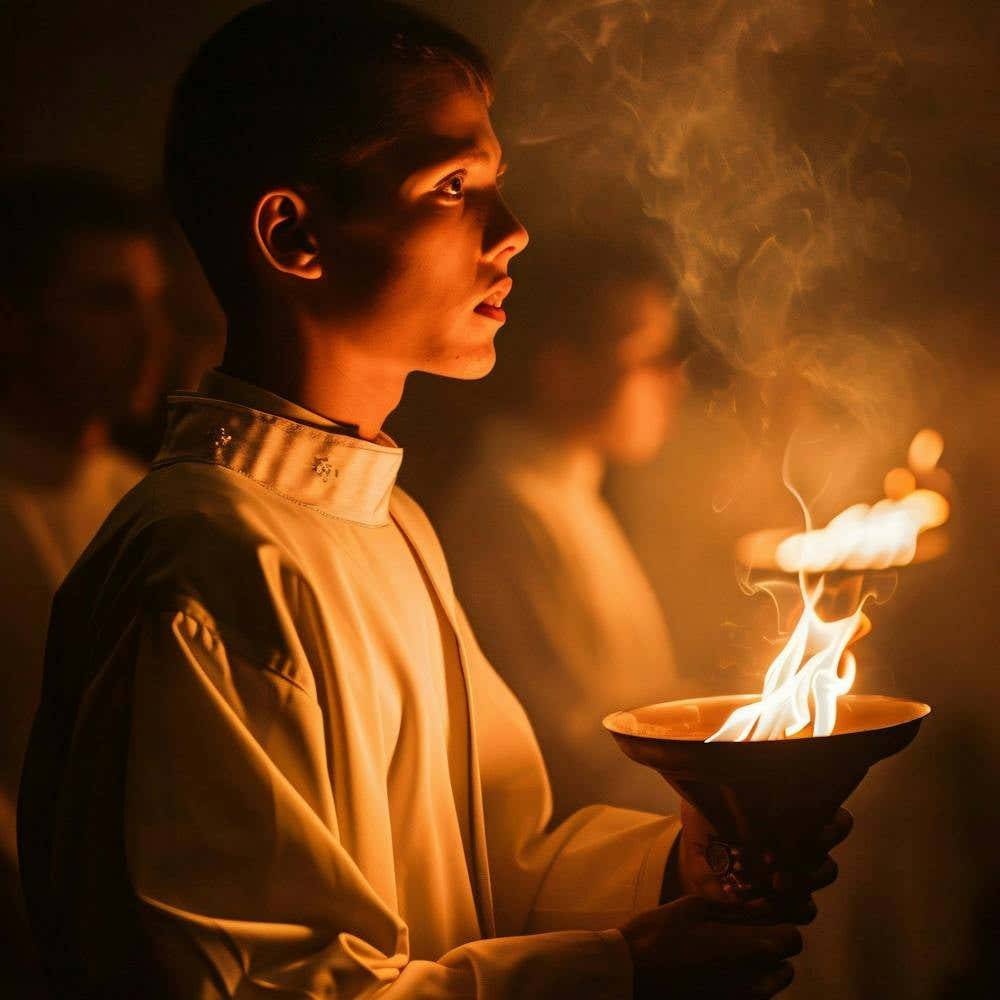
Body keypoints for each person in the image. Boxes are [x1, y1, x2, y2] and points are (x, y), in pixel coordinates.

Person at [18, 3, 846, 997]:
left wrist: (676, 863)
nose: (512, 230)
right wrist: (616, 971)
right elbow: (255, 984)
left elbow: (494, 861)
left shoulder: (388, 520)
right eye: (452, 186)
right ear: (295, 234)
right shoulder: (207, 560)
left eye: (495, 183)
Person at [438, 233, 687, 822]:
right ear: (560, 368)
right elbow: (579, 753)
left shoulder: (570, 495)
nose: (675, 381)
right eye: (647, 357)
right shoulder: (505, 513)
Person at [0, 165, 170, 994]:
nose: (148, 336)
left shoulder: (143, 497)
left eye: (153, 302)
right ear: (16, 322)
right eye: (107, 302)